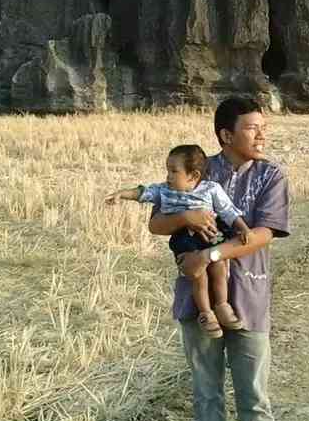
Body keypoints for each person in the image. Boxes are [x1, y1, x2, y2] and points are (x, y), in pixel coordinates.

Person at [149, 96, 290, 421]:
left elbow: (263, 233)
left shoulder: (271, 176)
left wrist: (210, 255)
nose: (261, 136)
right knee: (206, 395)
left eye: (263, 129)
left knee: (254, 398)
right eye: (252, 128)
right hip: (197, 302)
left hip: (249, 296)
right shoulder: (195, 169)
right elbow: (156, 224)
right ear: (226, 135)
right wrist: (187, 215)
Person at [105, 144, 253, 337]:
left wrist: (242, 228)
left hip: (210, 233)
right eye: (167, 170)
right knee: (198, 275)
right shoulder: (164, 190)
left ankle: (222, 306)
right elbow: (143, 193)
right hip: (185, 239)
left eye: (174, 171)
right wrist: (122, 193)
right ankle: (206, 313)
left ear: (193, 176)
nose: (168, 176)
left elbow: (227, 211)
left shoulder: (211, 189)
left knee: (219, 267)